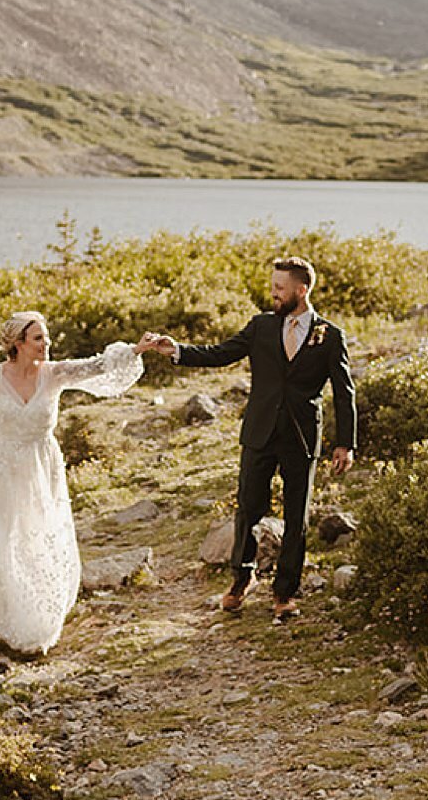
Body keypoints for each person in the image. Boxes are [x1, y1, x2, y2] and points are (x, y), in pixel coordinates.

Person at [148, 257, 356, 622]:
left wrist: (345, 444)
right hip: (259, 432)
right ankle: (240, 581)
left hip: (301, 437)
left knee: (297, 518)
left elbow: (344, 392)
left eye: (280, 288)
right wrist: (177, 350)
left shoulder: (330, 334)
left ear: (300, 290)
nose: (273, 293)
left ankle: (285, 593)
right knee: (248, 507)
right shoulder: (260, 327)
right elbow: (221, 354)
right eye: (273, 287)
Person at [0, 312, 163, 654]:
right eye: (38, 338)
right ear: (17, 343)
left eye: (47, 338)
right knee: (8, 538)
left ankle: (42, 618)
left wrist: (135, 350)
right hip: (5, 470)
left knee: (42, 533)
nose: (47, 344)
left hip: (42, 466)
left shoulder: (55, 373)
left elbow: (97, 366)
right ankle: (13, 612)